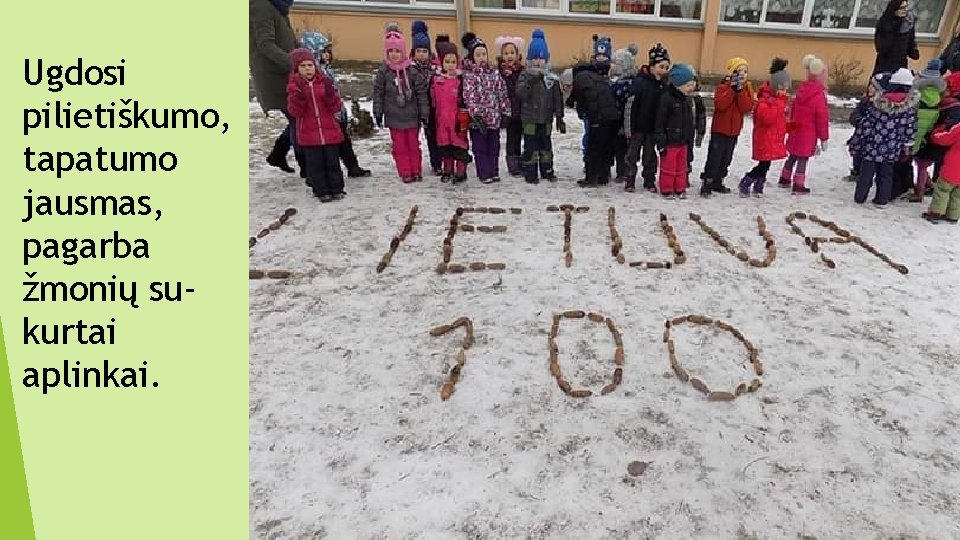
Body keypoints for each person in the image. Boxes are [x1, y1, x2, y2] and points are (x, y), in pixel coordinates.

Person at [300, 31, 372, 178]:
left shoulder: (326, 70)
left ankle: (352, 167)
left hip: (337, 112)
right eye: (323, 52)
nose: (327, 55)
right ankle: (324, 173)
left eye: (328, 52)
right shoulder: (314, 74)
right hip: (327, 116)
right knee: (333, 146)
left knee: (344, 142)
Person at [852, 68, 919, 207]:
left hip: (872, 146)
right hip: (892, 148)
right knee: (886, 174)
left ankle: (860, 196)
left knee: (866, 173)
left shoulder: (877, 103)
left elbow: (868, 123)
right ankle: (882, 199)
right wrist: (907, 144)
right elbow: (910, 128)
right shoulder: (909, 108)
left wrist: (861, 137)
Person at [286, 48, 345, 202]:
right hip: (309, 133)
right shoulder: (295, 87)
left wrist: (331, 96)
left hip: (329, 130)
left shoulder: (324, 82)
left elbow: (335, 107)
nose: (307, 69)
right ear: (297, 69)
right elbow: (294, 112)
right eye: (303, 66)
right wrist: (298, 99)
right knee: (315, 164)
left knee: (332, 162)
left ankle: (336, 188)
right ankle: (321, 190)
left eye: (310, 65)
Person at [373, 24, 430, 183]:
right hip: (394, 117)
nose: (394, 54)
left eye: (397, 51)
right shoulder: (383, 72)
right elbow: (378, 92)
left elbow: (421, 94)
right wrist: (377, 112)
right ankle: (405, 171)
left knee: (413, 145)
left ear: (403, 52)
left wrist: (424, 113)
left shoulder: (412, 71)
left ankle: (416, 170)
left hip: (411, 117)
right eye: (390, 51)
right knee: (400, 147)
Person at [250, 0, 299, 174]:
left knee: (299, 118)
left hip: (288, 72)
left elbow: (289, 39)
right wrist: (294, 63)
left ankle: (278, 154)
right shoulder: (260, 5)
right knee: (298, 120)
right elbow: (265, 44)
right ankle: (309, 168)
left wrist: (303, 55)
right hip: (275, 75)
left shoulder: (279, 5)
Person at [700, 57, 756, 197]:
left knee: (726, 157)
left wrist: (740, 92)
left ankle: (718, 181)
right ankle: (707, 182)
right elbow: (721, 105)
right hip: (720, 129)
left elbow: (746, 107)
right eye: (739, 71)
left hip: (733, 131)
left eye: (745, 71)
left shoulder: (747, 89)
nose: (742, 74)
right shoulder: (722, 87)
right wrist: (732, 90)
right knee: (715, 157)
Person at [569, 35, 620, 187]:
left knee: (593, 147)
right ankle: (603, 175)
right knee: (605, 146)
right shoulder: (595, 78)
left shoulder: (581, 79)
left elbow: (579, 102)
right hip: (612, 117)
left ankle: (591, 178)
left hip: (597, 117)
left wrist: (583, 114)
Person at [515, 29, 565, 184]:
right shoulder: (525, 75)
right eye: (535, 58)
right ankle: (530, 172)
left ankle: (547, 171)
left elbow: (558, 98)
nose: (538, 61)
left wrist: (560, 117)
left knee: (546, 146)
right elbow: (520, 93)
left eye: (541, 58)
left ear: (546, 59)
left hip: (546, 119)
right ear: (530, 59)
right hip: (530, 119)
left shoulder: (551, 78)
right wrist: (531, 82)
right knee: (531, 146)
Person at [461, 32, 511, 184]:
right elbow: (469, 97)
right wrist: (476, 115)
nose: (481, 57)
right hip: (478, 121)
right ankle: (484, 172)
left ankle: (493, 170)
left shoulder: (495, 74)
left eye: (484, 54)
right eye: (478, 55)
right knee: (480, 148)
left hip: (494, 118)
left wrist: (506, 111)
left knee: (494, 147)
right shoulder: (470, 76)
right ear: (472, 57)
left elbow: (502, 93)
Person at [623, 43, 671, 193]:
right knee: (632, 156)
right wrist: (628, 129)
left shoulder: (664, 86)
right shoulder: (639, 82)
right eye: (661, 67)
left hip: (653, 129)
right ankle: (629, 180)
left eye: (666, 68)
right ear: (652, 66)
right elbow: (630, 107)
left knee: (650, 157)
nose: (663, 71)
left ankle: (649, 180)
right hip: (637, 127)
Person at [779, 54, 829, 195]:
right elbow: (822, 119)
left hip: (796, 130)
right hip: (808, 133)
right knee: (803, 158)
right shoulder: (819, 96)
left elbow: (793, 110)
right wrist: (824, 137)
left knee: (793, 155)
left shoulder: (802, 90)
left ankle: (784, 177)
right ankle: (798, 184)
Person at [740, 58, 790, 197]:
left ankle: (758, 184)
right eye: (782, 86)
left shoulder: (778, 100)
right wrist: (780, 103)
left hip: (773, 137)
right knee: (764, 164)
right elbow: (767, 118)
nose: (785, 89)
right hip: (765, 137)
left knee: (766, 164)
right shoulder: (765, 100)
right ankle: (747, 180)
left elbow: (780, 119)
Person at [653, 63, 698, 199]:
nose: (691, 88)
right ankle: (667, 188)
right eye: (688, 85)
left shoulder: (686, 100)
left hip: (683, 141)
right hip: (669, 142)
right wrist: (661, 142)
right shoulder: (666, 99)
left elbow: (689, 122)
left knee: (681, 167)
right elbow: (659, 122)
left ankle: (680, 187)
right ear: (678, 85)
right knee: (669, 167)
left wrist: (689, 139)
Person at [431, 36, 471, 184]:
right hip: (442, 121)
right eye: (447, 62)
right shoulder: (437, 80)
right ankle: (448, 170)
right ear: (441, 62)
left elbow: (466, 98)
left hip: (458, 120)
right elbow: (433, 100)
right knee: (446, 147)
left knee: (459, 146)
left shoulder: (461, 80)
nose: (450, 65)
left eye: (453, 62)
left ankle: (461, 171)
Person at [910, 59, 945, 202]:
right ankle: (928, 184)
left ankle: (919, 192)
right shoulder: (939, 95)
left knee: (920, 163)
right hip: (930, 137)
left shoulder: (918, 94)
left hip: (917, 134)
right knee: (923, 165)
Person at [410, 21, 442, 177]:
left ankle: (439, 163)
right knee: (428, 137)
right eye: (419, 51)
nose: (422, 54)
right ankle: (431, 163)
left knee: (437, 136)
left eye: (425, 50)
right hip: (418, 108)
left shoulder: (435, 68)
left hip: (435, 107)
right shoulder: (410, 69)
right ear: (413, 52)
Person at [922, 107, 960, 223]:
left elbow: (945, 139)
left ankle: (936, 213)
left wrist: (936, 132)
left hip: (953, 166)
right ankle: (953, 216)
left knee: (942, 190)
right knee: (957, 195)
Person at [496, 34, 526, 177]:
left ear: (517, 54)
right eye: (506, 53)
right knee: (512, 139)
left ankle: (522, 162)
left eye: (512, 53)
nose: (509, 56)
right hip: (508, 111)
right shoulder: (499, 73)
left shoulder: (522, 71)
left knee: (522, 137)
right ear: (502, 55)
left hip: (522, 110)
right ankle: (513, 165)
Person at [610, 45, 640, 183]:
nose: (612, 65)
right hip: (615, 120)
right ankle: (620, 170)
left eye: (615, 63)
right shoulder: (616, 82)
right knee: (617, 147)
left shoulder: (627, 85)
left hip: (625, 121)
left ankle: (624, 172)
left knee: (624, 148)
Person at [872, 0, 920, 76]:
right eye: (902, 8)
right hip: (884, 65)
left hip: (901, 66)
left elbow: (911, 43)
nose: (905, 10)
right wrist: (895, 28)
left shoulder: (908, 23)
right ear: (894, 9)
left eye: (906, 7)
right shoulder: (884, 23)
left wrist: (914, 51)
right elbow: (881, 48)